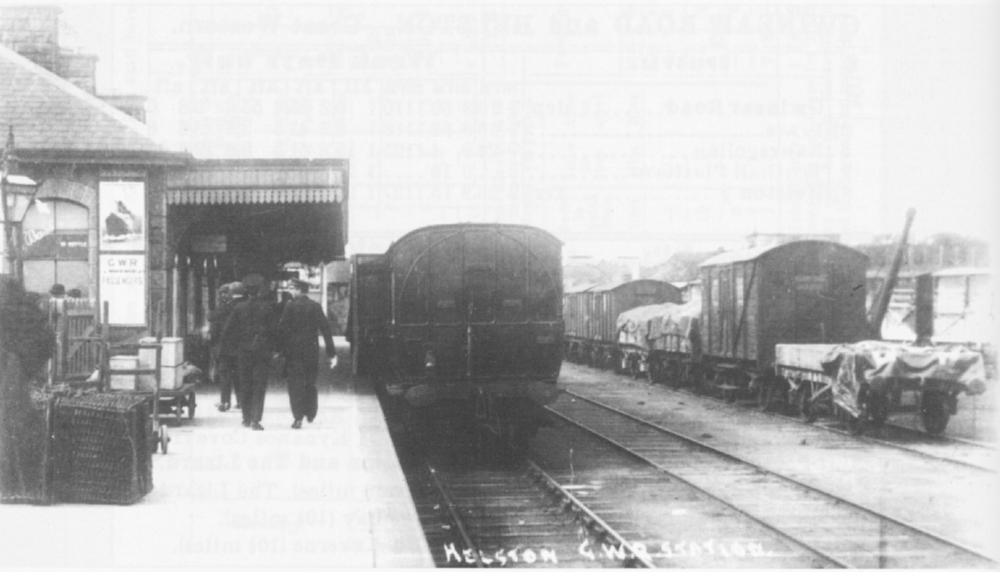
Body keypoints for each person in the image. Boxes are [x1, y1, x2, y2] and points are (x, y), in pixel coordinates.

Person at [221, 274, 277, 431]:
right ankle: (255, 419)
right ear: (260, 291)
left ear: (246, 291)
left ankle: (245, 418)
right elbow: (274, 331)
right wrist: (273, 348)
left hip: (243, 351)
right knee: (259, 385)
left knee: (245, 383)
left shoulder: (239, 308)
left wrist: (236, 344)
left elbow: (227, 330)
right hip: (262, 352)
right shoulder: (267, 307)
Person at [278, 279, 336, 429]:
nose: (290, 291)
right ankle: (310, 412)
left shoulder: (289, 307)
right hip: (311, 352)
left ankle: (298, 417)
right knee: (310, 383)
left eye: (291, 288)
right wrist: (331, 352)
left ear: (298, 290)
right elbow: (326, 329)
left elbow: (282, 330)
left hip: (294, 352)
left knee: (295, 385)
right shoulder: (315, 306)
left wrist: (280, 350)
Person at [209, 282, 242, 412]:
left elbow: (214, 324)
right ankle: (241, 401)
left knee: (225, 376)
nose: (223, 296)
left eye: (224, 293)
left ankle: (225, 402)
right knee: (239, 376)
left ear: (229, 294)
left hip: (224, 348)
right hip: (239, 347)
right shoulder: (242, 305)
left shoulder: (223, 309)